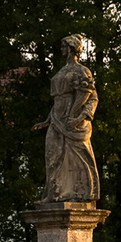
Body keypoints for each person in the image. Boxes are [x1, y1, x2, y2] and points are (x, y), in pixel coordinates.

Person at [37, 34, 100, 204]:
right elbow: (58, 100)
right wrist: (47, 120)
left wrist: (79, 118)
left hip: (72, 122)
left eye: (64, 46)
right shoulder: (62, 71)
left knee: (77, 158)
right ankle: (54, 193)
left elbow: (91, 98)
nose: (62, 50)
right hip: (57, 119)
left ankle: (79, 193)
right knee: (52, 155)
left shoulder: (82, 71)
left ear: (72, 48)